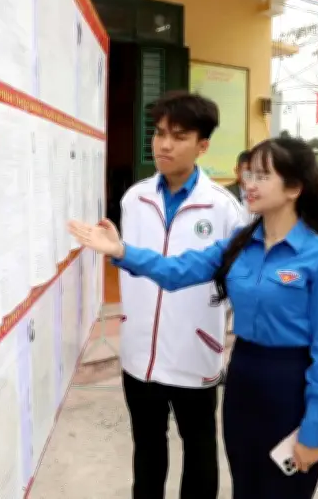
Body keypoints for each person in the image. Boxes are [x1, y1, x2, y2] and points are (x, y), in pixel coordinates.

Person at [69, 136, 318, 499]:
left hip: (290, 383)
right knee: (244, 485)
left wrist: (315, 428)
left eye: (263, 176)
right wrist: (121, 250)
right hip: (243, 376)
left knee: (283, 489)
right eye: (249, 174)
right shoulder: (239, 244)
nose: (249, 184)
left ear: (294, 188)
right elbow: (176, 271)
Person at [103, 91, 245, 499]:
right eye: (159, 133)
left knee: (199, 450)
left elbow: (231, 284)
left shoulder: (224, 209)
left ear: (203, 146)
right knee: (147, 449)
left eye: (179, 136)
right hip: (140, 352)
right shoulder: (135, 198)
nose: (164, 145)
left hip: (193, 350)